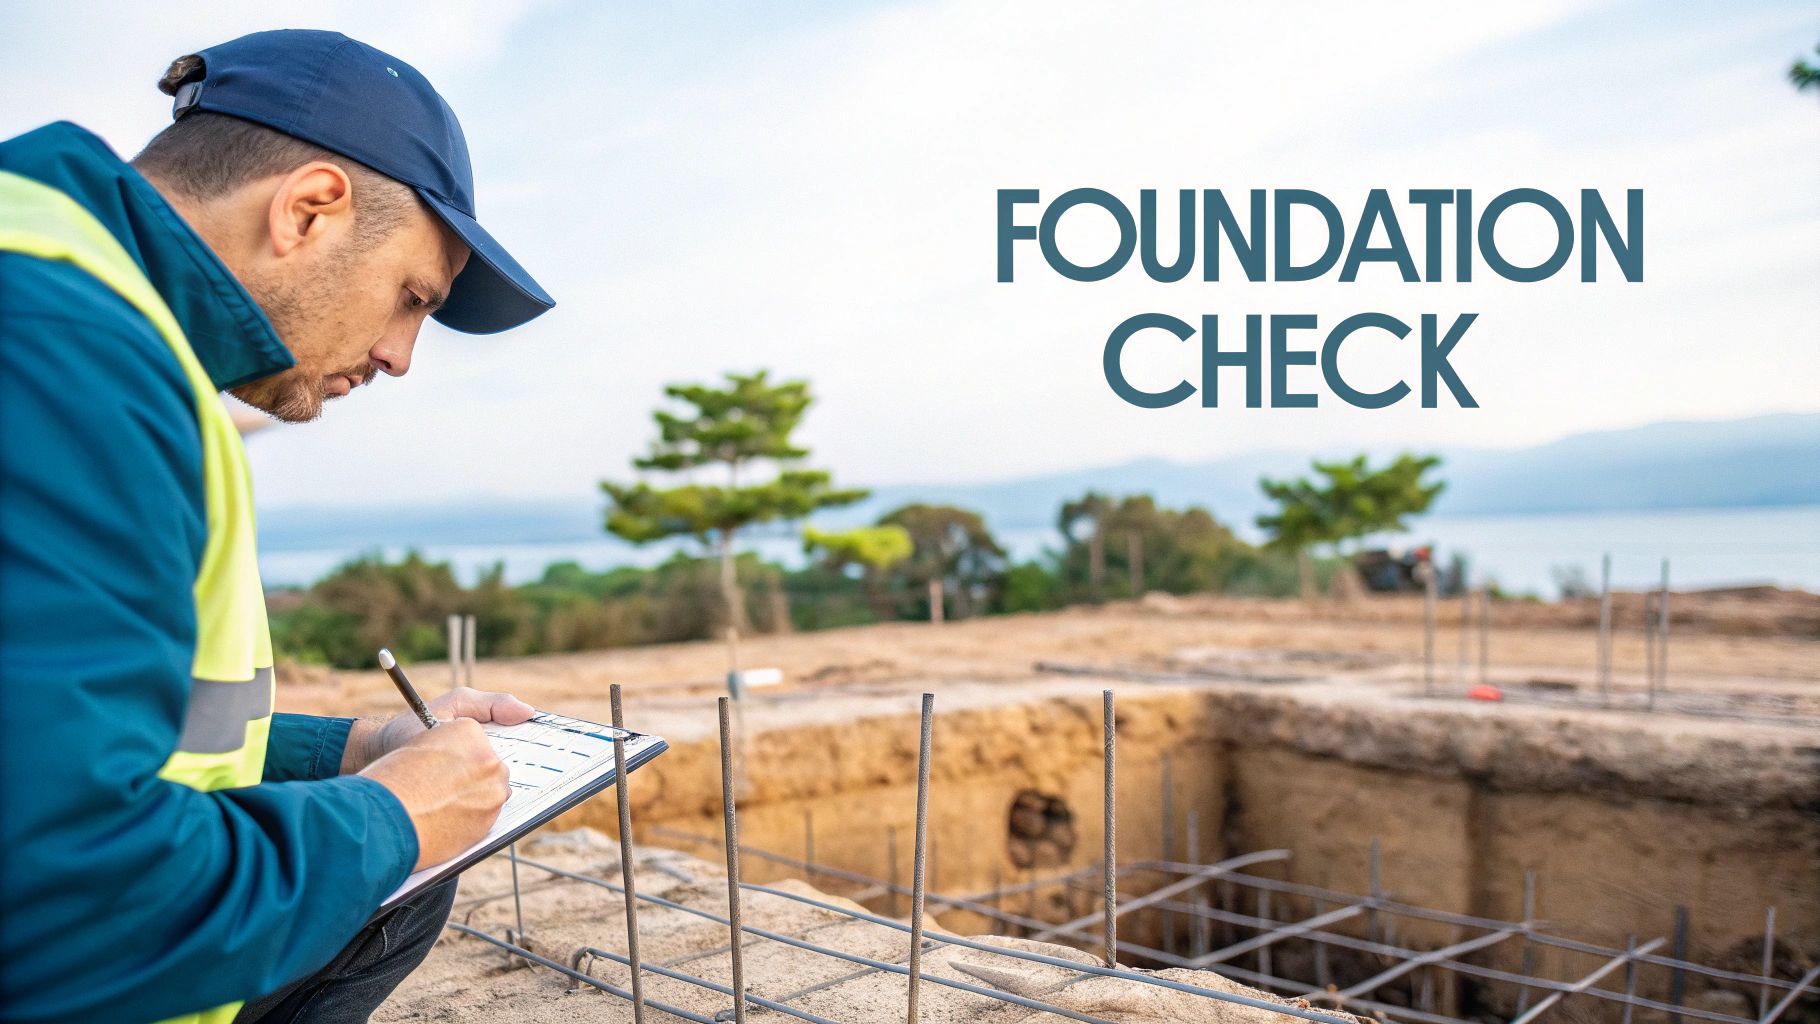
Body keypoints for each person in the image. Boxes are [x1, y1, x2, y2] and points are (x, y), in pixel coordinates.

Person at [0, 30, 557, 1024]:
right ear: (307, 210)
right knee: (393, 866)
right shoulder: (67, 354)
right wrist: (394, 813)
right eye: (411, 297)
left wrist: (355, 748)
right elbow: (60, 911)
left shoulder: (61, 292)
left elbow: (68, 740)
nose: (398, 356)